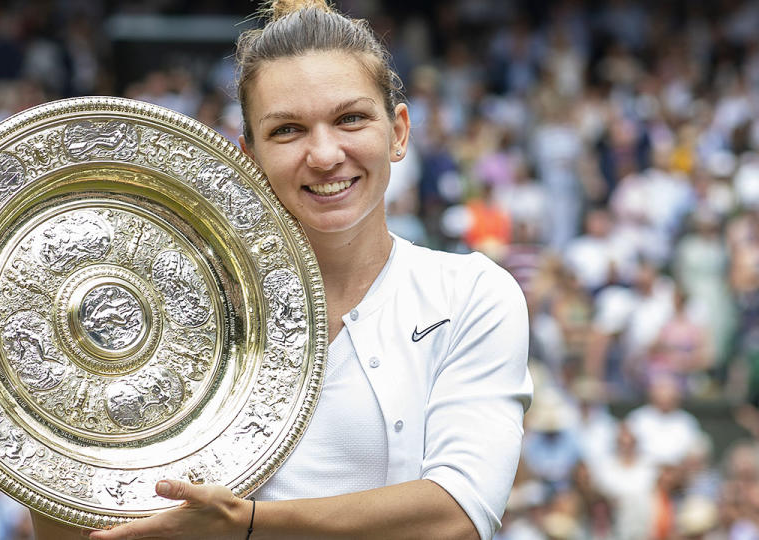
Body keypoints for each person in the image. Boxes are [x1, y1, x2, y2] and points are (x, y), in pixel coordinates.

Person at [33, 1, 532, 538]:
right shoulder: (168, 321)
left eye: (350, 119)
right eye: (288, 130)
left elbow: (456, 515)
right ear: (249, 155)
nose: (323, 154)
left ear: (399, 132)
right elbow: (86, 521)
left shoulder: (470, 295)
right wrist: (54, 427)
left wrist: (246, 525)